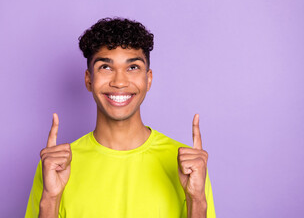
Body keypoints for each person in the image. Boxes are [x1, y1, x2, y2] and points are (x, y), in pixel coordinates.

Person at [25, 18, 216, 218]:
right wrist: (50, 198)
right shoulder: (56, 165)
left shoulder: (189, 165)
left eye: (132, 67)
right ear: (89, 79)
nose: (119, 82)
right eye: (105, 67)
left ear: (148, 79)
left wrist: (197, 200)